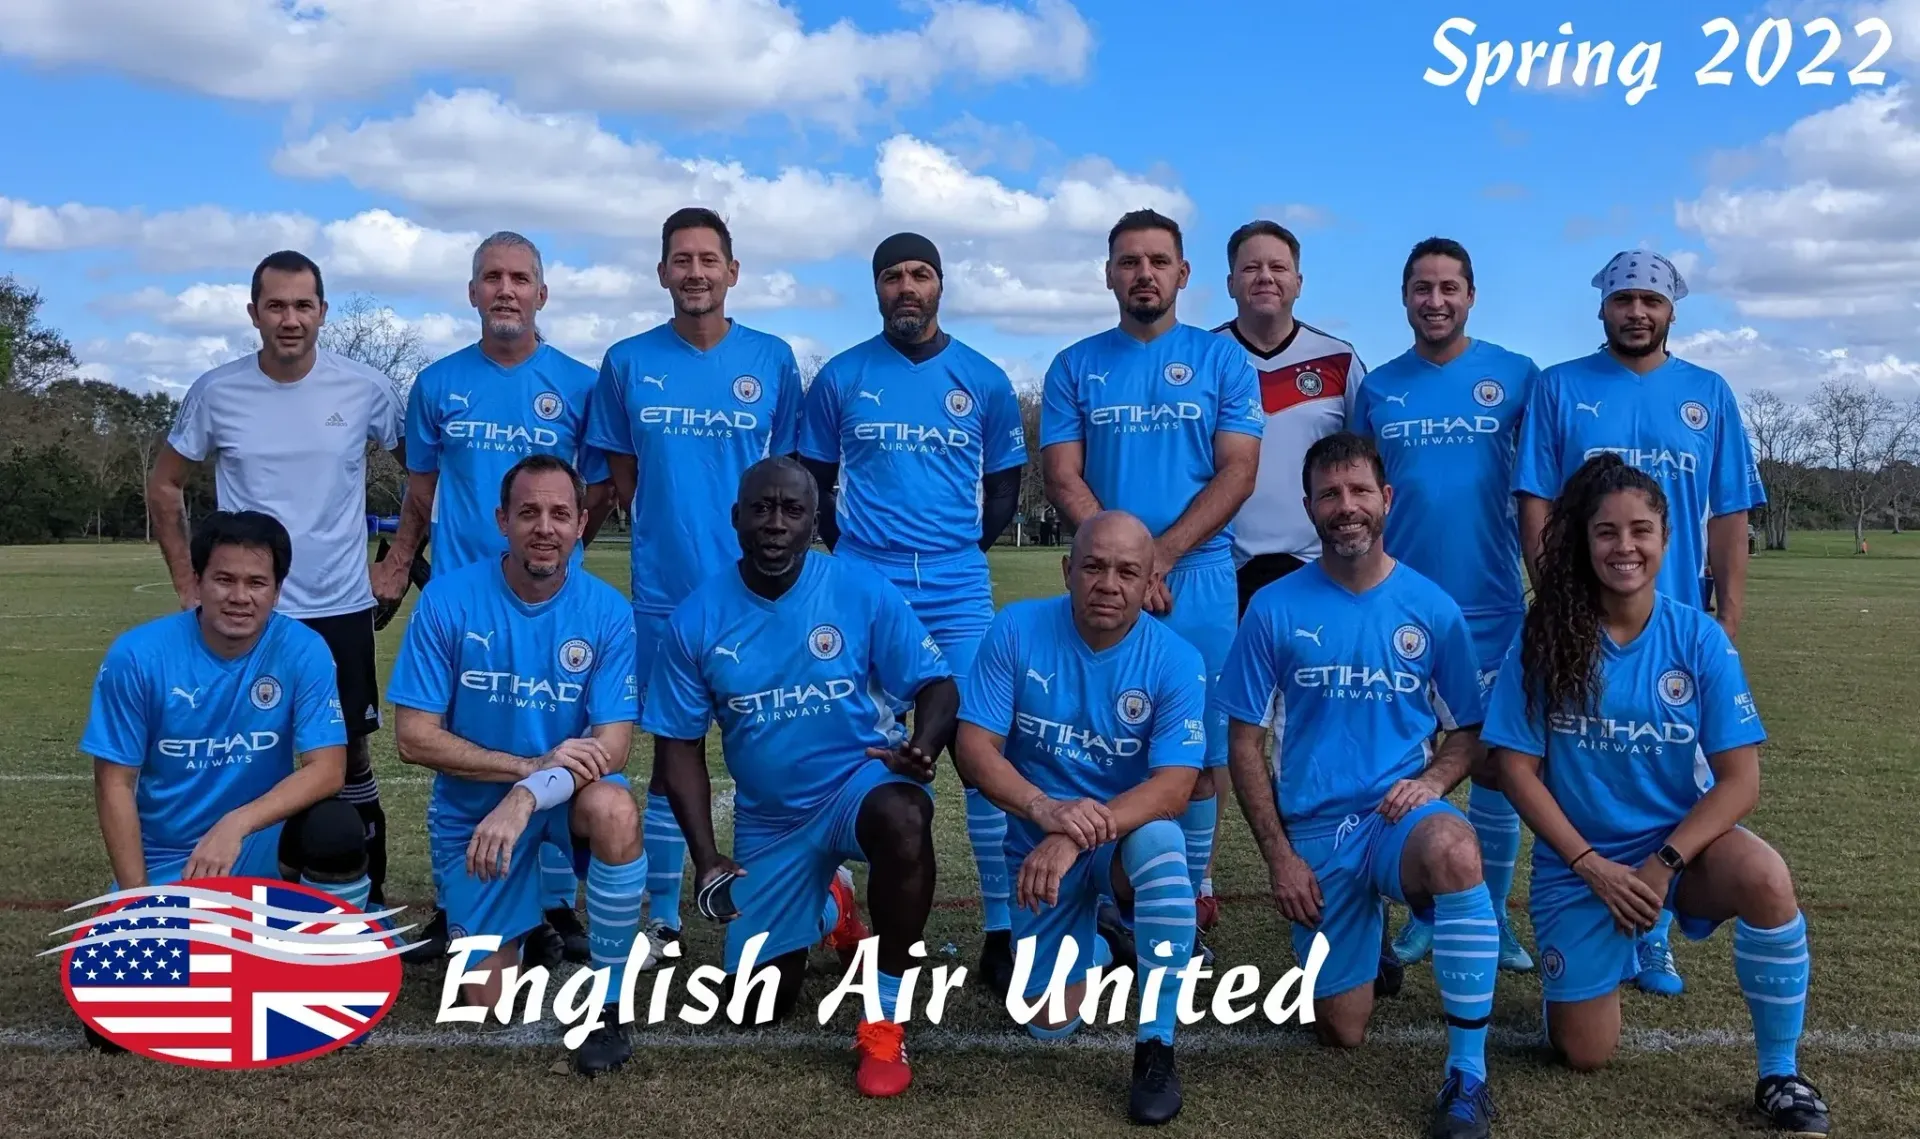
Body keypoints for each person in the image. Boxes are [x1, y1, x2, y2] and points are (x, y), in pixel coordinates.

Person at [1483, 453, 1829, 1137]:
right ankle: (1583, 974)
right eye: (1606, 531)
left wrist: (1660, 863)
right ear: (1583, 539)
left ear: (1667, 539)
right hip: (1582, 865)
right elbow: (1515, 770)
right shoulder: (1546, 632)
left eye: (1641, 530)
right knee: (1584, 1051)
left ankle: (1779, 1072)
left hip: (1677, 853)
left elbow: (1741, 780)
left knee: (1764, 875)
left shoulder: (1696, 637)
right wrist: (1591, 865)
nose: (1625, 547)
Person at [643, 457, 956, 1098]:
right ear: (736, 519)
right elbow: (676, 749)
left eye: (792, 510)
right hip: (771, 821)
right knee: (751, 1008)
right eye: (761, 509)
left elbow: (937, 684)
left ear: (817, 521)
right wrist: (706, 860)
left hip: (857, 788)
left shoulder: (859, 590)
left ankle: (883, 1022)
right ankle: (829, 906)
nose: (775, 524)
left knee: (904, 817)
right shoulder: (697, 618)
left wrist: (922, 747)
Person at [1220, 432, 1498, 1139]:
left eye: (1360, 491)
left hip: (1395, 815)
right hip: (1315, 833)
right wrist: (1281, 856)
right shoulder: (1274, 607)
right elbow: (1245, 742)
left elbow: (1468, 729)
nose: (1347, 507)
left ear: (1386, 500)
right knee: (1341, 1030)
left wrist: (1433, 779)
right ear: (1311, 507)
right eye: (1330, 494)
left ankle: (1467, 1074)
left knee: (1454, 849)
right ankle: (1367, 936)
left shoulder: (1431, 607)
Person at [1513, 249, 1766, 997]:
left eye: (1650, 301)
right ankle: (1575, 910)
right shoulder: (1561, 387)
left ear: (1671, 311)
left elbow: (1729, 513)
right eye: (1623, 299)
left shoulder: (1707, 393)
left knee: (1673, 777)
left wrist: (1730, 616)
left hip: (1675, 626)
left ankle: (1653, 930)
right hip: (1582, 617)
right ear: (1603, 308)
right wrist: (1555, 596)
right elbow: (1536, 500)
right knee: (1581, 766)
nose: (1636, 312)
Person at [372, 230, 616, 968]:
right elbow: (419, 495)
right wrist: (397, 562)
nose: (505, 289)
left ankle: (555, 906)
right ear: (472, 291)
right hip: (463, 600)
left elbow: (596, 490)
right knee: (462, 748)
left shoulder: (578, 383)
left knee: (558, 740)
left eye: (519, 278)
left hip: (549, 598)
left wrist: (562, 557)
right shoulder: (438, 384)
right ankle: (461, 902)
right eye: (491, 277)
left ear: (542, 294)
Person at [797, 232, 1027, 992]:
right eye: (892, 275)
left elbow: (1002, 487)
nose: (907, 287)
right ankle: (849, 913)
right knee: (858, 751)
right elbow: (817, 482)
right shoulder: (841, 376)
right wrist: (862, 561)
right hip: (867, 583)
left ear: (940, 285)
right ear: (876, 287)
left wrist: (958, 549)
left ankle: (1001, 926)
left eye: (920, 274)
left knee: (978, 751)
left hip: (958, 590)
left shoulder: (984, 380)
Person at [147, 250, 404, 910]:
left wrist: (397, 558)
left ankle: (361, 897)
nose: (290, 319)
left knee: (346, 762)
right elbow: (164, 482)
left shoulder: (365, 388)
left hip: (339, 607)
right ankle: (237, 889)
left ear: (322, 311)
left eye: (303, 305)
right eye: (276, 305)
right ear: (254, 312)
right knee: (239, 754)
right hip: (244, 611)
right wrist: (188, 581)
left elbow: (423, 469)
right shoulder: (217, 390)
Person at [1040, 209, 1263, 963]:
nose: (1144, 274)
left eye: (1158, 261)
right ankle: (1107, 896)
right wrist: (1122, 562)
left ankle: (1187, 899)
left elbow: (1239, 470)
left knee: (1196, 759)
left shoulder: (1222, 362)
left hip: (1194, 578)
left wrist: (1158, 556)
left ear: (1183, 274)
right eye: (1128, 261)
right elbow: (1063, 474)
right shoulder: (1075, 364)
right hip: (1105, 578)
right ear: (1109, 274)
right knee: (1108, 741)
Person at [587, 207, 805, 954]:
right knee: (667, 751)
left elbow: (792, 481)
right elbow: (623, 476)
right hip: (665, 592)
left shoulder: (773, 359)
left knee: (769, 746)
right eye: (681, 260)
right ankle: (664, 915)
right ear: (662, 273)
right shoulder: (626, 362)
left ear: (732, 272)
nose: (695, 272)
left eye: (709, 260)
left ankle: (775, 896)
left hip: (760, 593)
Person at [387, 454, 645, 1077]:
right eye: (528, 512)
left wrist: (530, 792)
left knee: (613, 805)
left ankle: (610, 1002)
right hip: (477, 819)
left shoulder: (607, 611)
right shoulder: (450, 600)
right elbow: (413, 738)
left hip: (556, 802)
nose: (544, 527)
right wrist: (525, 767)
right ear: (502, 519)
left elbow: (612, 747)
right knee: (488, 1006)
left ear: (582, 523)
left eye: (560, 513)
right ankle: (523, 925)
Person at [954, 510, 1206, 1126]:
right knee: (1046, 1023)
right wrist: (1045, 810)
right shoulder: (1015, 630)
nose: (1108, 583)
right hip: (1037, 852)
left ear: (1150, 583)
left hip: (1116, 845)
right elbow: (973, 748)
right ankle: (1100, 945)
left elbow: (1175, 786)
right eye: (1093, 566)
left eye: (1127, 571)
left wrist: (1071, 835)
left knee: (1165, 844)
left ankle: (1156, 1047)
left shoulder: (1176, 659)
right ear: (1068, 570)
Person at [1349, 237, 1539, 975]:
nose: (1435, 300)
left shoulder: (1516, 376)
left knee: (1490, 762)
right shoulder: (1380, 388)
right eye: (1421, 288)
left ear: (1471, 294)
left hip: (1491, 603)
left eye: (1449, 287)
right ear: (1404, 297)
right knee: (1405, 759)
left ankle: (1489, 912)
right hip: (1397, 607)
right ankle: (1422, 909)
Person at [81, 509, 368, 900]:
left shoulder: (303, 650)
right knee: (148, 956)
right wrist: (136, 900)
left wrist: (237, 824)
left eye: (256, 583)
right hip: (169, 858)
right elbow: (114, 781)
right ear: (197, 583)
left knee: (335, 826)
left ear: (277, 591)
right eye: (224, 580)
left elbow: (329, 770)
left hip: (259, 845)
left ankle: (326, 948)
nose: (240, 597)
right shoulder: (137, 657)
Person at [1214, 220, 1368, 613]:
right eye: (1251, 268)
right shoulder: (1203, 356)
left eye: (1278, 268)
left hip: (1319, 567)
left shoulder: (1339, 359)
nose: (1265, 277)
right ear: (1230, 282)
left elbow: (1367, 464)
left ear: (1298, 282)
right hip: (1221, 571)